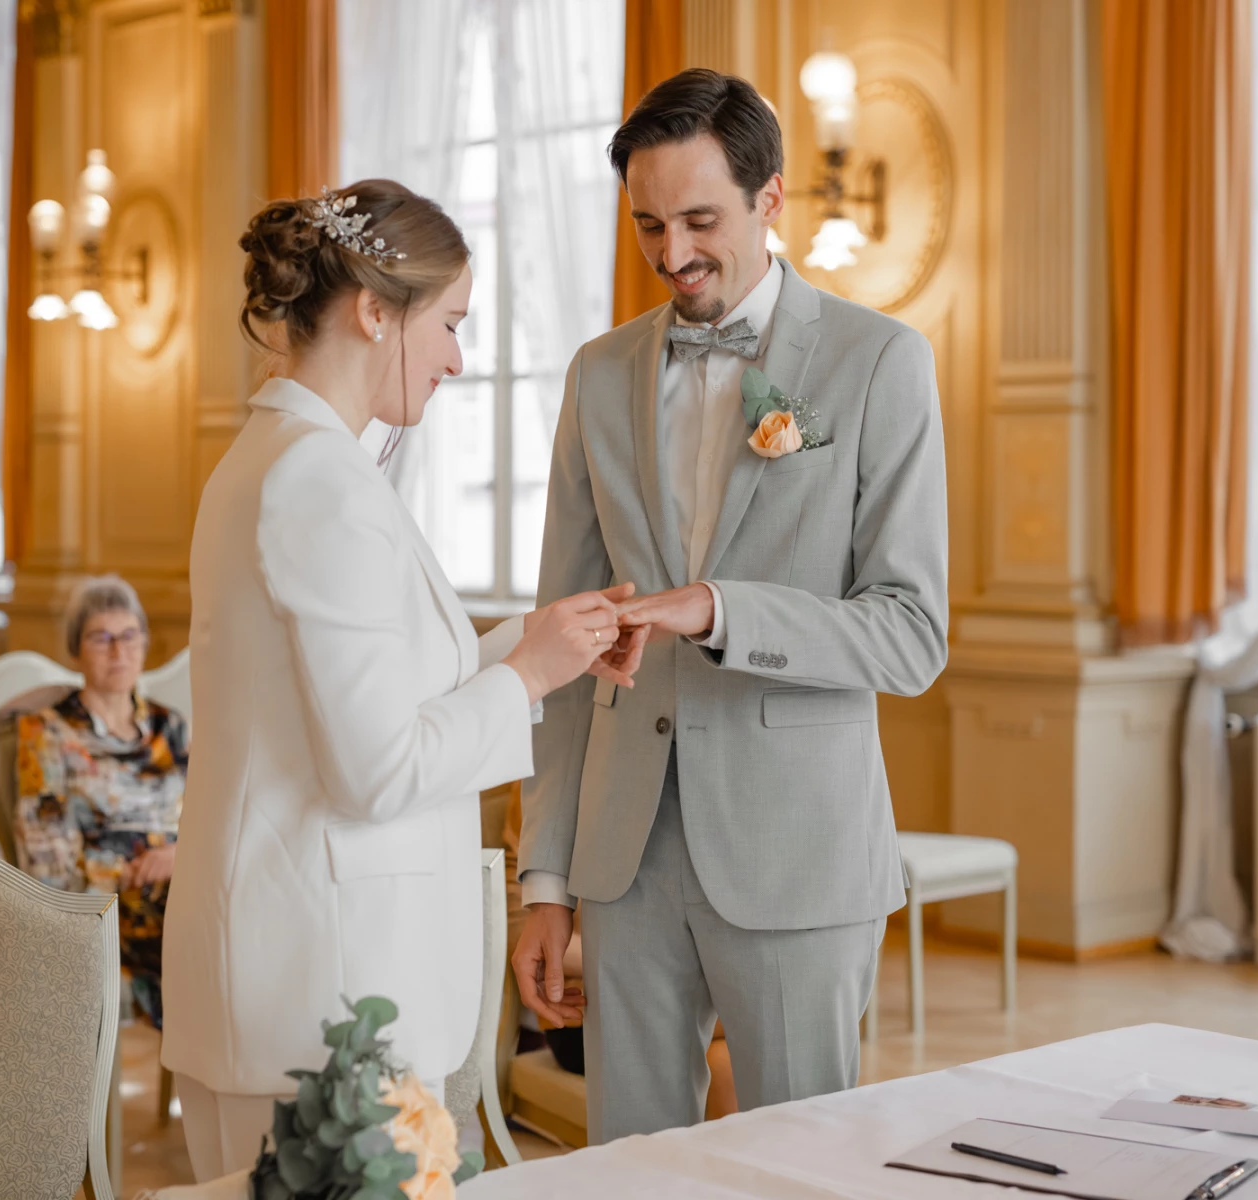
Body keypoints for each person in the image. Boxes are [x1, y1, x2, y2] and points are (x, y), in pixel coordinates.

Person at [160, 179, 643, 1181]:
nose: (461, 358)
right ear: (375, 310)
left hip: (293, 969)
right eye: (452, 322)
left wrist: (542, 641)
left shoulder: (281, 459)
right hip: (325, 991)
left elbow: (374, 687)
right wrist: (526, 678)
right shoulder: (318, 482)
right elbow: (378, 766)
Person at [512, 68, 949, 1144]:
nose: (672, 255)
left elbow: (911, 633)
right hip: (624, 860)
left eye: (700, 219)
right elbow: (564, 640)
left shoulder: (879, 360)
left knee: (805, 1162)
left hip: (797, 853)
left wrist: (720, 610)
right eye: (648, 225)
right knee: (628, 1166)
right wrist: (546, 874)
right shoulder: (597, 375)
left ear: (772, 201)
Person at [10, 574, 186, 1029]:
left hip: (186, 887)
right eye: (101, 638)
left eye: (130, 636)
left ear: (145, 643)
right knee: (229, 942)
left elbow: (212, 821)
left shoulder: (172, 727)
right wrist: (132, 872)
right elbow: (47, 863)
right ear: (75, 650)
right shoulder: (47, 732)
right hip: (108, 911)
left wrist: (181, 857)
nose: (118, 651)